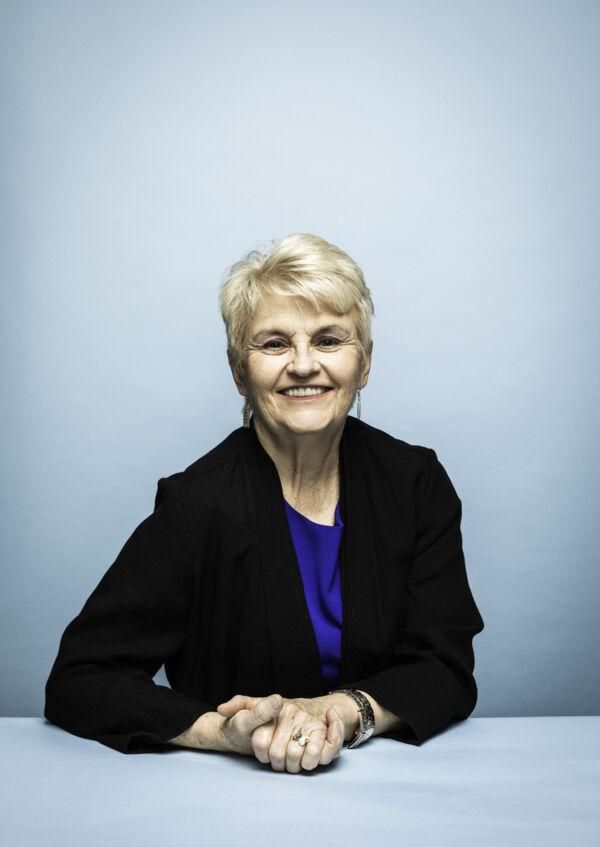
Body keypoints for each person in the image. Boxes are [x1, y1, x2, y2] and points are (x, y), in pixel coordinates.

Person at [44, 232, 484, 774]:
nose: (303, 365)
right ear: (238, 374)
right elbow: (80, 679)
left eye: (328, 340)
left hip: (394, 791)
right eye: (274, 344)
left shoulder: (416, 484)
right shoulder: (194, 505)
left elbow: (446, 666)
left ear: (364, 364)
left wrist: (345, 713)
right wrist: (219, 733)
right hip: (222, 800)